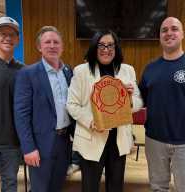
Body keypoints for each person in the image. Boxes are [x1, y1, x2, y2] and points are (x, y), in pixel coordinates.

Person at [67, 30, 143, 192]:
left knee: (115, 187)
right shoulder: (81, 71)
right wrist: (91, 121)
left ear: (116, 48)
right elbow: (72, 105)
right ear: (94, 47)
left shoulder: (127, 70)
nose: (106, 49)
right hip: (91, 138)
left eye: (110, 45)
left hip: (119, 141)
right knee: (90, 187)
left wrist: (129, 98)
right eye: (101, 45)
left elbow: (138, 103)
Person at [14, 26, 74, 192]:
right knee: (40, 189)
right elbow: (21, 115)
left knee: (57, 187)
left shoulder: (68, 72)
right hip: (39, 146)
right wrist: (28, 148)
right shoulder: (27, 73)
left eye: (56, 42)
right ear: (39, 47)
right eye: (47, 42)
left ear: (62, 46)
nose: (52, 46)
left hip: (64, 143)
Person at [139, 17, 185, 192]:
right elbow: (139, 100)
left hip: (183, 142)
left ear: (182, 34)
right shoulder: (150, 68)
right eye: (164, 30)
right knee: (158, 188)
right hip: (155, 140)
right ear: (159, 36)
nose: (169, 33)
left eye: (174, 29)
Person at [0, 16, 22, 192]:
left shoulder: (24, 71)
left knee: (10, 187)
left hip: (12, 146)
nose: (8, 38)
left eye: (12, 34)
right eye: (3, 33)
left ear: (18, 40)